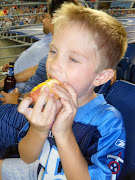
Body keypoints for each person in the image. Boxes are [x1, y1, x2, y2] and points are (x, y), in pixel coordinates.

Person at [0, 3, 127, 179]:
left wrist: (63, 132)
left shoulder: (108, 122)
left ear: (100, 77)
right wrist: (38, 129)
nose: (55, 64)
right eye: (53, 51)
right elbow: (27, 157)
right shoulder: (47, 102)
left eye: (73, 59)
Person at [0, 0, 79, 157]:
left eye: (45, 16)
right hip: (21, 102)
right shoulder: (57, 44)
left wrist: (18, 99)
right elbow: (37, 71)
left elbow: (51, 98)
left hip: (23, 113)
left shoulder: (68, 59)